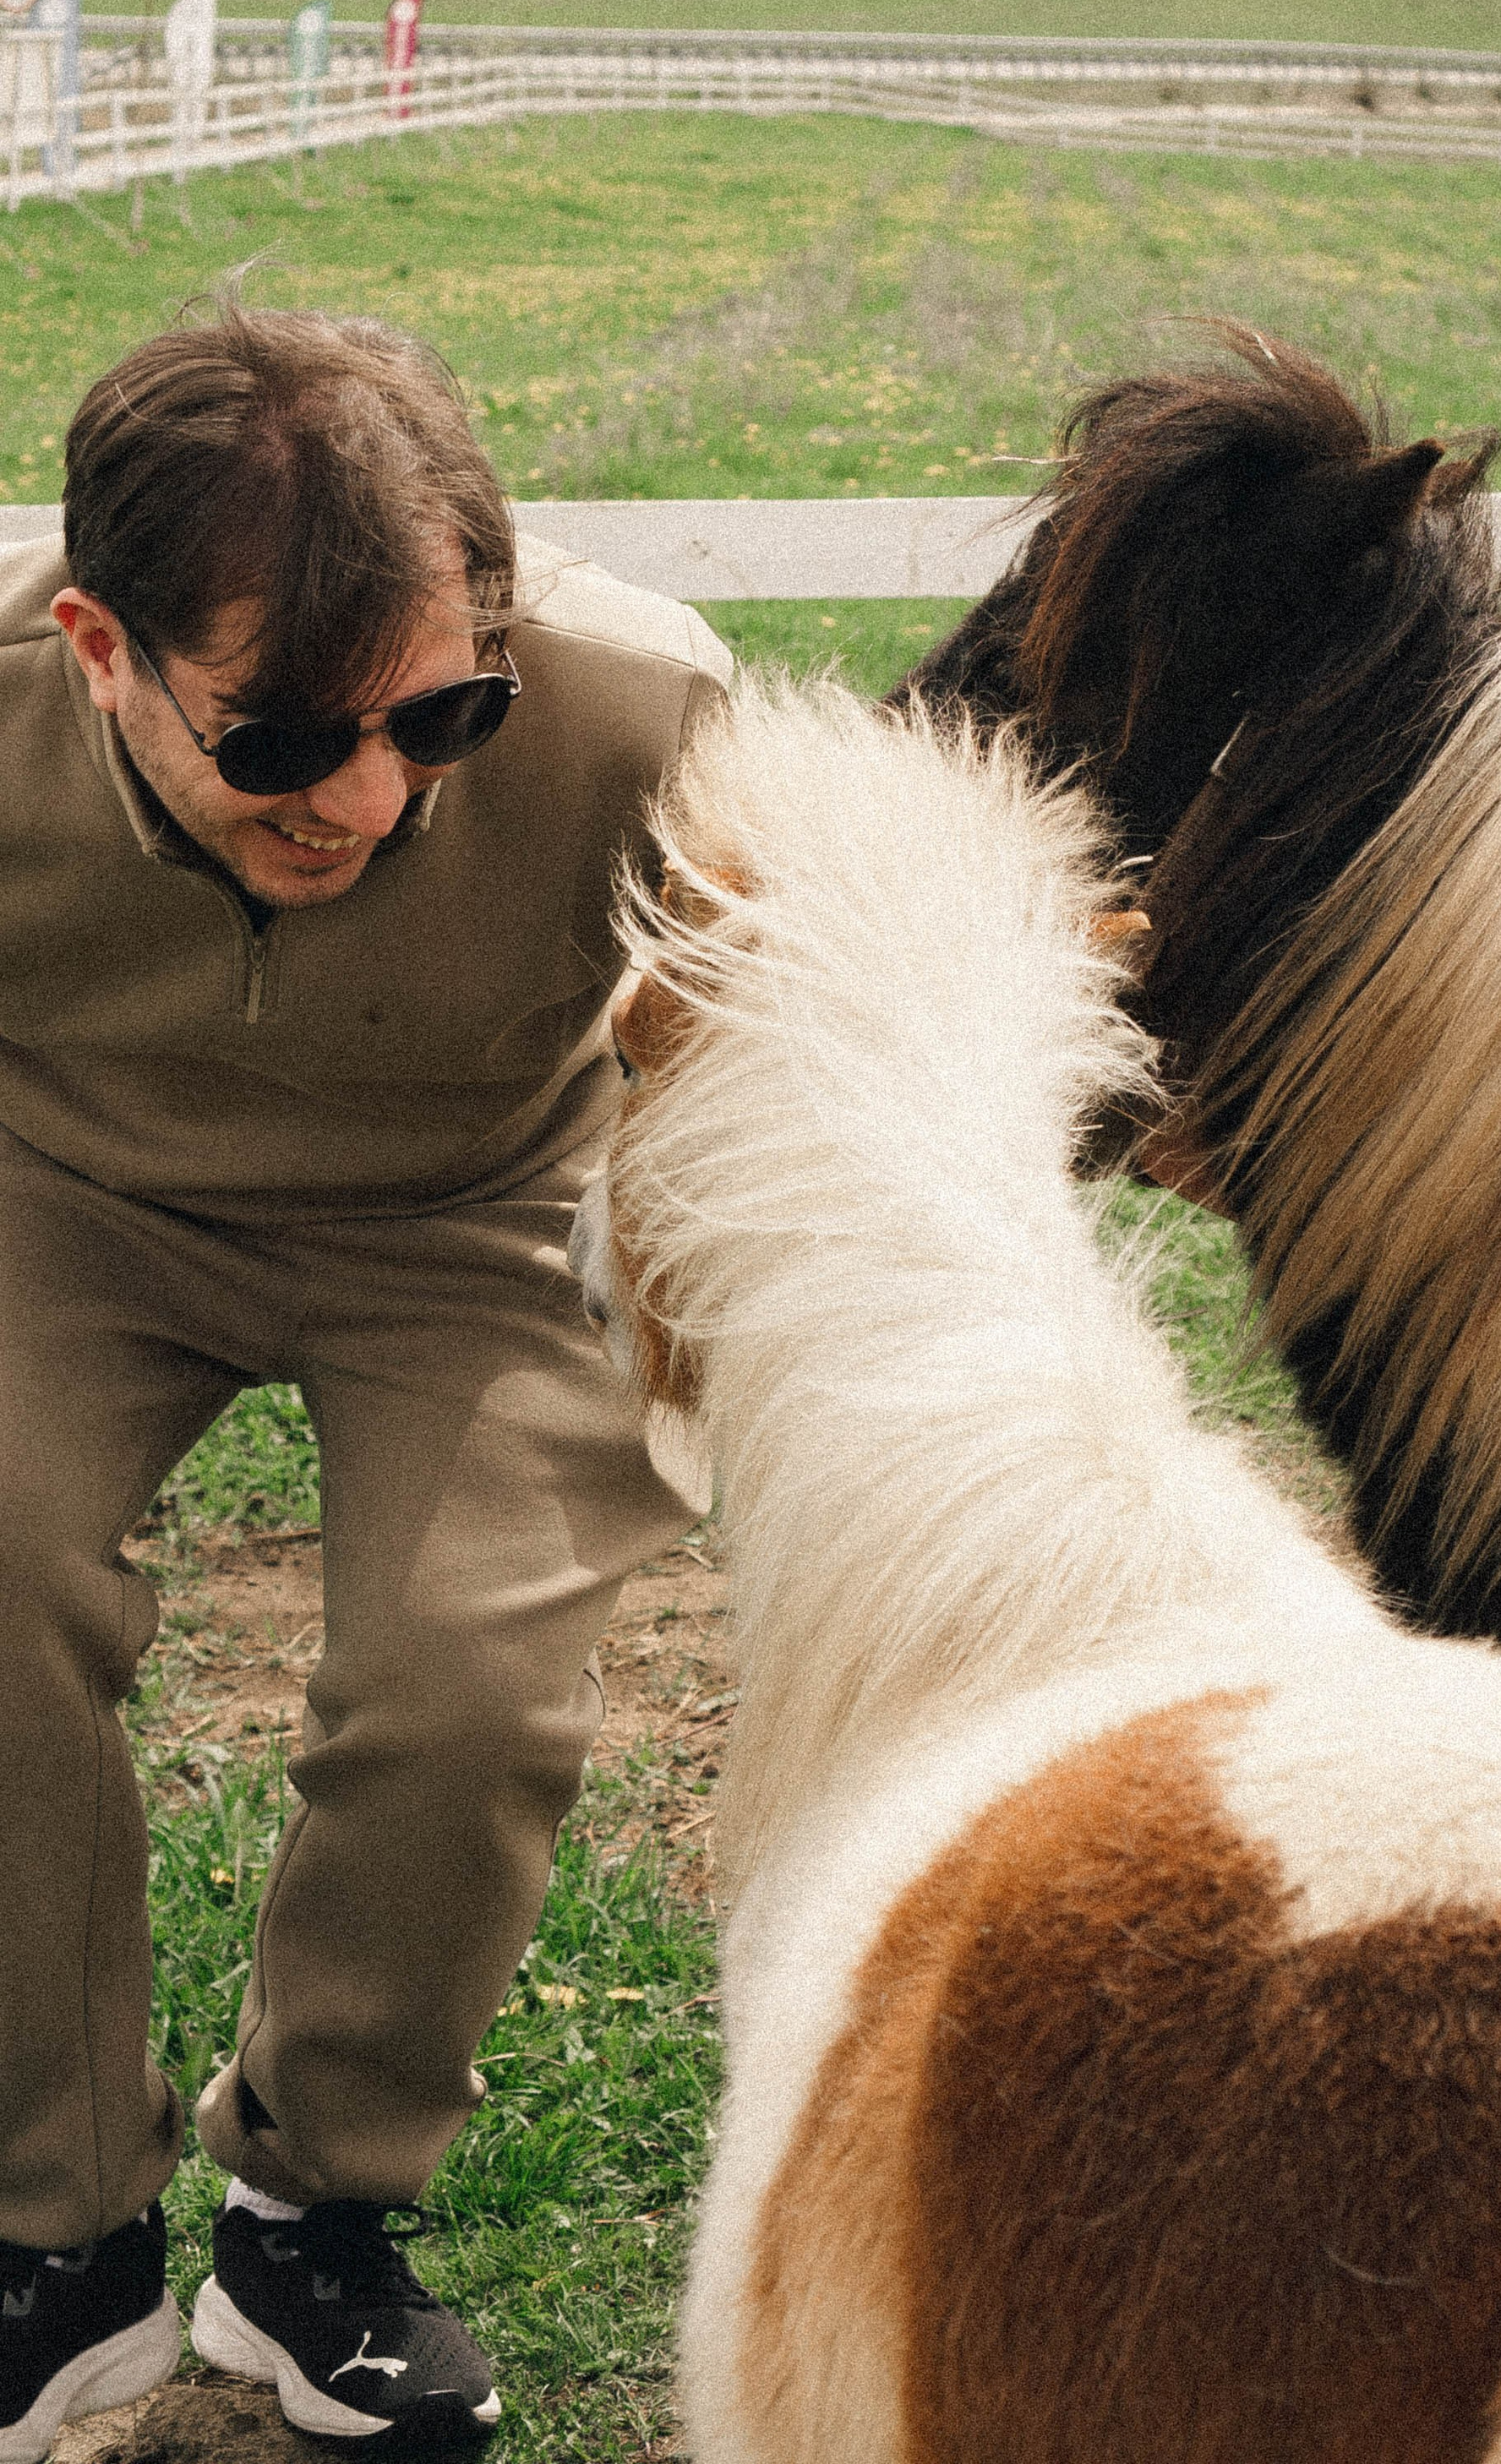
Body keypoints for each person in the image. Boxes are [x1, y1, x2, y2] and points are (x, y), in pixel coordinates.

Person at [0, 301, 730, 2457]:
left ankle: (313, 2225)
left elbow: (781, 1019)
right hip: (64, 1187)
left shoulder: (652, 708)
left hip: (472, 1215)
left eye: (443, 715)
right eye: (285, 740)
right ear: (100, 649)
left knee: (464, 1682)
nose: (377, 798)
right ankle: (59, 2237)